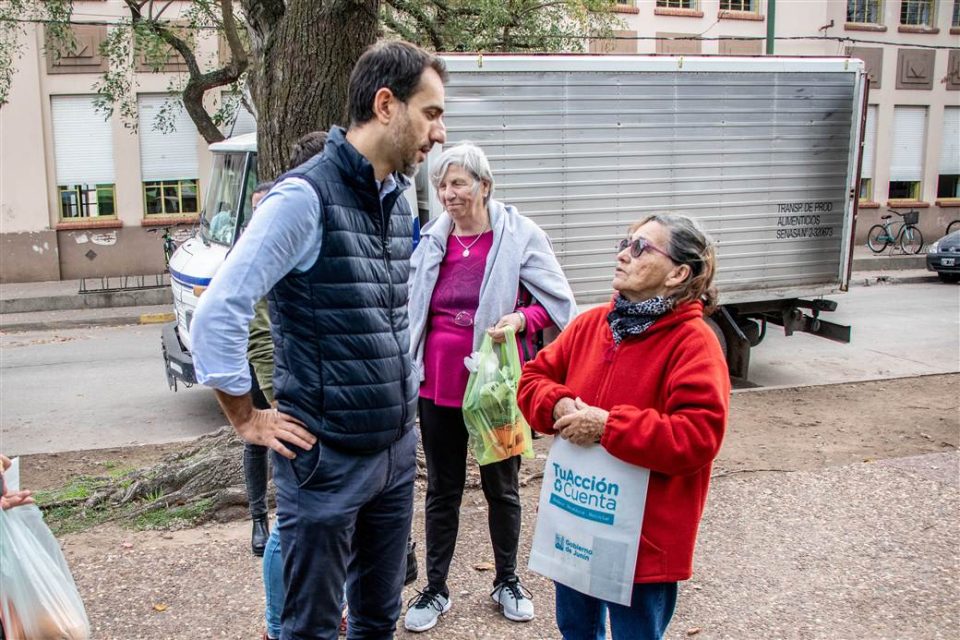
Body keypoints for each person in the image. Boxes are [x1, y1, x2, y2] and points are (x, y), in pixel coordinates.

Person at [190, 40, 447, 639]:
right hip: (325, 464)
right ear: (387, 105)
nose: (438, 133)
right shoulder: (302, 198)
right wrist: (246, 419)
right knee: (310, 628)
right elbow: (217, 313)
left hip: (393, 454)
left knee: (379, 620)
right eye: (431, 113)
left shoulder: (395, 195)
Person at [516, 213, 730, 640]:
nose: (622, 254)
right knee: (575, 630)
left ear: (679, 273)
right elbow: (532, 379)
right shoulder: (593, 324)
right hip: (578, 525)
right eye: (624, 242)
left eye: (640, 248)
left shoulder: (694, 342)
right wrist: (555, 405)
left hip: (640, 542)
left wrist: (609, 427)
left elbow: (697, 436)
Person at [405, 142, 578, 631]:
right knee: (442, 488)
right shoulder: (433, 238)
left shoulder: (520, 236)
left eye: (458, 183)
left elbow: (556, 301)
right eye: (442, 185)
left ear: (484, 185)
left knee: (502, 487)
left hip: (496, 386)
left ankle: (507, 579)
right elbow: (413, 305)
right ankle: (435, 589)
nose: (448, 194)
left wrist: (522, 318)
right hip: (436, 382)